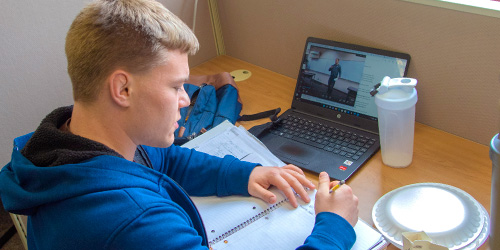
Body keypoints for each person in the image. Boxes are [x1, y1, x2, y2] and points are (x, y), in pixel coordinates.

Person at [0, 0, 358, 249]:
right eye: (175, 87)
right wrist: (335, 229)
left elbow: (165, 158)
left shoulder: (72, 141)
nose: (187, 99)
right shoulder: (135, 223)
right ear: (123, 88)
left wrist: (242, 175)